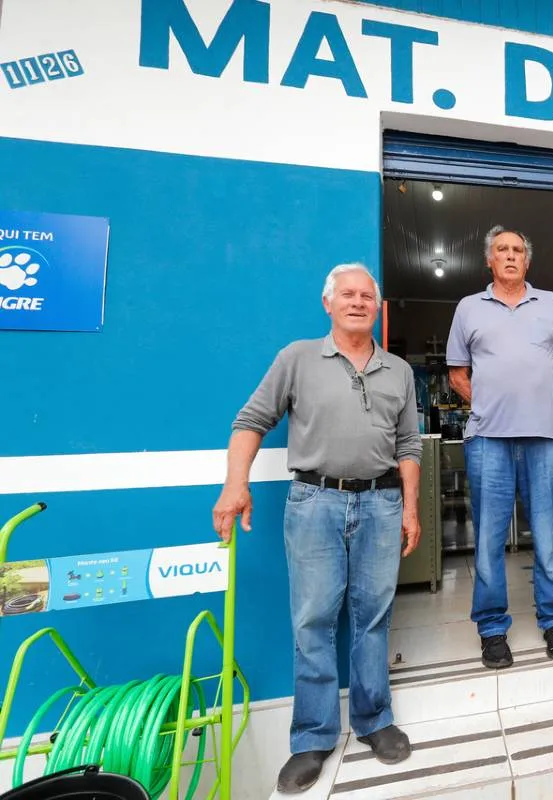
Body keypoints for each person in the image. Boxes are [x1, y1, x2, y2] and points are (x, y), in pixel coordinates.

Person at [211, 263, 422, 793]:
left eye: (367, 296)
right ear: (327, 303)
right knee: (313, 621)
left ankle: (375, 720)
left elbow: (409, 448)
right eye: (347, 294)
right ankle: (312, 737)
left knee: (373, 615)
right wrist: (235, 485)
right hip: (314, 502)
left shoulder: (398, 370)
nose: (358, 302)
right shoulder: (298, 357)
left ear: (378, 307)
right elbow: (250, 421)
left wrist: (411, 508)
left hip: (381, 503)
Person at [446, 225, 553, 669]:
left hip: (544, 438)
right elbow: (457, 374)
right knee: (488, 540)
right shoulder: (468, 308)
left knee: (546, 535)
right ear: (489, 260)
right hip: (487, 440)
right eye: (502, 249)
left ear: (527, 260)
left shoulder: (552, 303)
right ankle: (491, 629)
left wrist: (533, 403)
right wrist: (489, 405)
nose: (510, 256)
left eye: (518, 250)